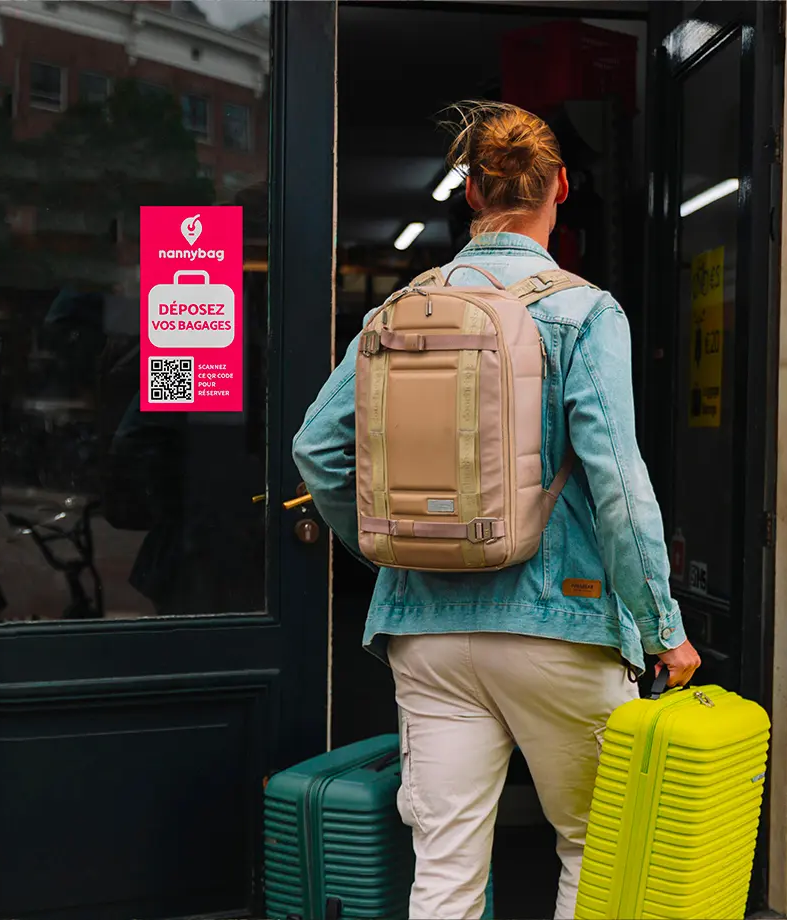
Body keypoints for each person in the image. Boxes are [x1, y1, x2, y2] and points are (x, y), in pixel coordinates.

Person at [293, 100, 700, 920]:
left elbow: (316, 449)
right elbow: (618, 483)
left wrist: (390, 549)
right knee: (591, 843)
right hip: (564, 625)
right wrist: (664, 628)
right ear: (558, 186)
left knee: (443, 870)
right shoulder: (586, 312)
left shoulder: (397, 311)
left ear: (471, 192)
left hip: (427, 631)